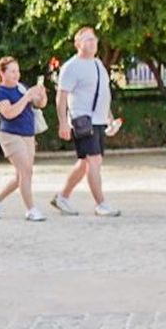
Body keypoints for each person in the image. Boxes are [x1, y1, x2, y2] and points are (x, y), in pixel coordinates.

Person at [53, 26, 121, 217]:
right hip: (82, 119)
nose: (93, 43)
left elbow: (102, 94)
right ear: (78, 44)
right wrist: (63, 122)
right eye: (88, 40)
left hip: (98, 120)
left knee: (84, 163)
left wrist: (109, 118)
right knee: (94, 160)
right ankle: (101, 204)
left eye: (94, 39)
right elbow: (61, 96)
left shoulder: (98, 64)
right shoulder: (71, 67)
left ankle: (62, 197)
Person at [0, 57, 48, 222]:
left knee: (23, 174)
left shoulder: (22, 87)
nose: (16, 74)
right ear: (2, 73)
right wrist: (27, 97)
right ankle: (31, 210)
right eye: (12, 71)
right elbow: (9, 113)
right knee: (25, 171)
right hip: (10, 135)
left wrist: (41, 96)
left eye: (17, 71)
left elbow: (39, 104)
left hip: (27, 134)